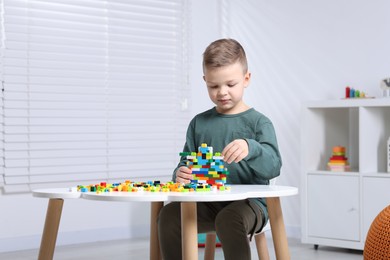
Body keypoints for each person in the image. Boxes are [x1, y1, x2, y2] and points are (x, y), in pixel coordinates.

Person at [157, 38, 282, 260]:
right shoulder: (199, 123)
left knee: (229, 218)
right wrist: (180, 174)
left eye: (230, 84)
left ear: (246, 79)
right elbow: (186, 162)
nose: (222, 92)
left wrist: (251, 148)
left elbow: (273, 166)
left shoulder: (259, 123)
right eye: (213, 86)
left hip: (250, 206)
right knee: (168, 214)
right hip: (209, 201)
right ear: (205, 80)